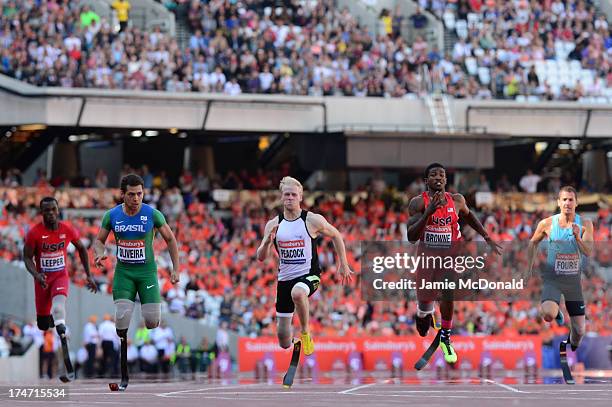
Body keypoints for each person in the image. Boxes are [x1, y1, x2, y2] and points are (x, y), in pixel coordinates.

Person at [407, 163, 502, 364]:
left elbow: (469, 216)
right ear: (426, 181)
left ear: (446, 180)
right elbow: (411, 236)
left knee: (447, 293)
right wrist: (428, 212)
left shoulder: (457, 200)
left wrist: (486, 236)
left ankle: (446, 336)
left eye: (442, 174)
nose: (438, 177)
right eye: (433, 174)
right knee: (423, 326)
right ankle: (425, 313)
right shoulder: (418, 203)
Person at [93, 174, 179, 390]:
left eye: (139, 194)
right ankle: (124, 376)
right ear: (123, 194)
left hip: (147, 273)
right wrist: (99, 253)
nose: (136, 198)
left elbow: (170, 239)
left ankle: (143, 322)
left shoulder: (152, 214)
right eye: (131, 194)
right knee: (121, 321)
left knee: (151, 322)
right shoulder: (112, 215)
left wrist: (175, 268)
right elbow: (99, 241)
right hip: (124, 273)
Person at [257, 176, 353, 355]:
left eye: (294, 194)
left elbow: (336, 235)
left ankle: (305, 332)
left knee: (298, 293)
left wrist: (343, 264)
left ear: (300, 197)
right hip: (284, 279)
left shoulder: (311, 220)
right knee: (283, 341)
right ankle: (295, 343)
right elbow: (261, 257)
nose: (290, 198)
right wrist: (267, 243)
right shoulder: (274, 224)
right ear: (281, 197)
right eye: (287, 194)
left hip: (309, 274)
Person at [23, 197, 98, 381]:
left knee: (58, 308)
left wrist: (88, 275)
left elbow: (81, 249)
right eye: (46, 210)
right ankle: (55, 323)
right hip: (42, 280)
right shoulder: (34, 233)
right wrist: (36, 275)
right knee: (42, 324)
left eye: (53, 209)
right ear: (41, 213)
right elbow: (26, 258)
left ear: (58, 210)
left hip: (60, 276)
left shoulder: (67, 229)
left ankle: (62, 331)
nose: (50, 213)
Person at [528, 186, 593, 351]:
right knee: (548, 314)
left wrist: (578, 237)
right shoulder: (547, 224)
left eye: (571, 200)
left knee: (579, 332)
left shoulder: (585, 224)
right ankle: (556, 313)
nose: (567, 203)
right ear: (558, 202)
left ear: (576, 203)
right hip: (553, 279)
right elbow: (532, 242)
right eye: (564, 199)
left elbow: (589, 251)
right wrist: (528, 267)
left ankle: (572, 344)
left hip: (573, 282)